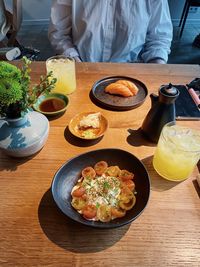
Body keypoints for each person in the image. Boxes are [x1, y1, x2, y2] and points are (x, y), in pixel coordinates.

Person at [49, 0, 173, 64]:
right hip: (83, 65)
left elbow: (159, 37)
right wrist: (75, 61)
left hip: (133, 72)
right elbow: (59, 33)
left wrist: (156, 70)